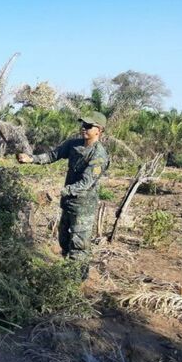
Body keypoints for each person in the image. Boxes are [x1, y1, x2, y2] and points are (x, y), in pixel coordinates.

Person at [17, 111, 109, 278]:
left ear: (99, 130)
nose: (84, 128)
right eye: (83, 125)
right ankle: (67, 274)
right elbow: (53, 155)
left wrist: (59, 191)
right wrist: (31, 159)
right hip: (68, 204)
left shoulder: (98, 155)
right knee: (64, 240)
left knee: (78, 246)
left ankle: (76, 283)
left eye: (89, 126)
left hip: (83, 208)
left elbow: (85, 183)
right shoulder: (74, 145)